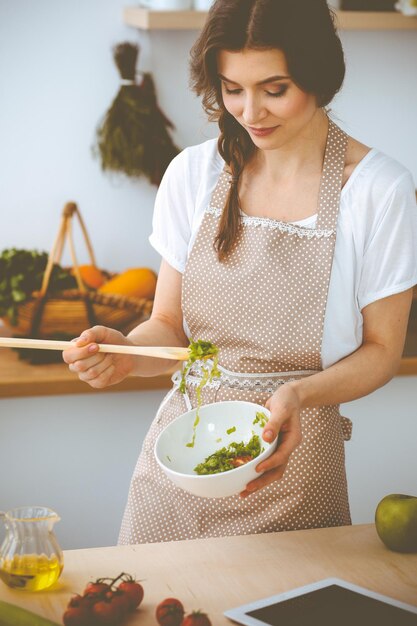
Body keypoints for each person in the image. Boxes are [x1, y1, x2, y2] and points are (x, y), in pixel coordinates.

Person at [63, 0, 417, 544]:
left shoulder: (379, 190)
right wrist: (126, 355)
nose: (251, 112)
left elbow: (381, 352)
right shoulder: (194, 174)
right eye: (233, 89)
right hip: (180, 466)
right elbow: (170, 325)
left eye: (274, 89)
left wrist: (298, 395)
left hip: (295, 464)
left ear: (319, 75)